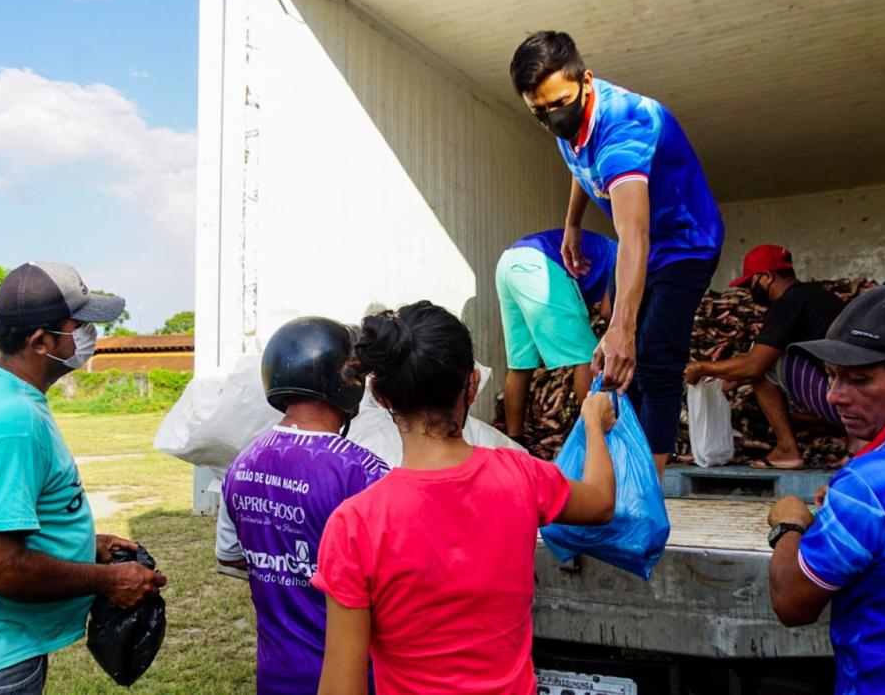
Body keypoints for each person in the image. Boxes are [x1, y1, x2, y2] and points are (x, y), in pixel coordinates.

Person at [312, 301, 617, 694]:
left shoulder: (355, 525)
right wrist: (594, 424)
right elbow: (600, 501)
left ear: (381, 396)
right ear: (472, 384)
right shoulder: (520, 476)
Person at [510, 31, 724, 476]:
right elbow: (578, 160)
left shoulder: (626, 124)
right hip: (640, 241)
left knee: (654, 358)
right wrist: (572, 222)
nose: (553, 118)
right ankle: (627, 463)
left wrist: (622, 329)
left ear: (586, 81)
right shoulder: (563, 115)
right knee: (622, 364)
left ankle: (648, 490)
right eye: (540, 111)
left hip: (685, 244)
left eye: (559, 104)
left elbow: (635, 235)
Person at [0, 262, 166, 694]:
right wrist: (107, 581)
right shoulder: (10, 420)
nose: (92, 337)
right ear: (41, 342)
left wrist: (82, 545)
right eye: (81, 327)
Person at [765, 285, 885, 695]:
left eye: (860, 380)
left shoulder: (866, 489)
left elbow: (792, 605)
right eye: (832, 375)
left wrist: (788, 526)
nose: (834, 396)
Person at [217, 317, 389, 695]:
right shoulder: (363, 472)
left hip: (275, 677)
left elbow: (230, 556)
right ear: (348, 386)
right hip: (353, 679)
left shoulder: (240, 465)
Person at [684, 245, 847, 469]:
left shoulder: (787, 303)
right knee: (788, 412)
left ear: (766, 277)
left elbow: (753, 365)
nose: (749, 292)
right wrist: (735, 374)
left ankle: (788, 450)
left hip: (841, 397)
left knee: (762, 369)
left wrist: (702, 368)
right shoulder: (817, 297)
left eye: (750, 283)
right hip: (858, 404)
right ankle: (854, 440)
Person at [497, 228, 617, 445]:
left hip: (509, 262)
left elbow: (582, 305)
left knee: (520, 363)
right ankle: (595, 442)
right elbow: (608, 311)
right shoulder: (623, 257)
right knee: (586, 355)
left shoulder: (603, 251)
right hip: (541, 264)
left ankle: (516, 443)